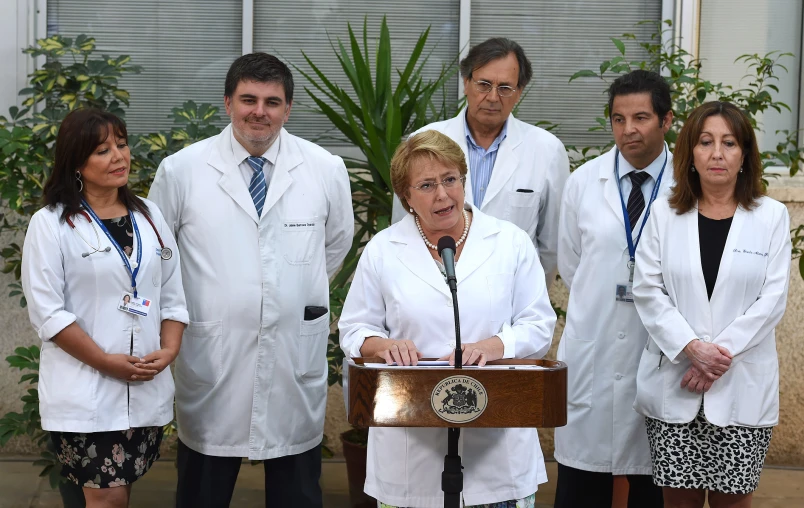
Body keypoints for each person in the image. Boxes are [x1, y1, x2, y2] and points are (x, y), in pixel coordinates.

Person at [148, 52, 354, 508]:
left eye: (272, 101)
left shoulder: (324, 169)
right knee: (203, 490)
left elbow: (334, 247)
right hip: (214, 354)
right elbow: (160, 259)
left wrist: (283, 292)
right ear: (227, 103)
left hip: (291, 358)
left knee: (298, 490)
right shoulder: (181, 170)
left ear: (288, 108)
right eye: (248, 99)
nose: (259, 111)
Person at [340, 130, 556, 507]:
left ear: (463, 180)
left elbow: (538, 323)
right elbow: (355, 329)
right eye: (426, 185)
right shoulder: (383, 250)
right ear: (406, 197)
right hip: (410, 448)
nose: (442, 194)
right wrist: (383, 345)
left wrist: (495, 346)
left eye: (450, 179)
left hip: (496, 447)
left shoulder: (510, 242)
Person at [21, 108, 188, 507]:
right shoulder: (51, 224)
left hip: (144, 385)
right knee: (107, 498)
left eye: (122, 144)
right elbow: (49, 313)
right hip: (86, 390)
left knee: (119, 495)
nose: (119, 156)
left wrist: (168, 351)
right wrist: (105, 362)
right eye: (102, 150)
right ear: (76, 162)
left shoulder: (150, 216)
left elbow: (173, 295)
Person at [633, 101, 791, 508]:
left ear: (745, 155)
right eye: (705, 142)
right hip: (677, 380)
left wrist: (716, 357)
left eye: (729, 143)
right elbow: (648, 290)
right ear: (690, 154)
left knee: (733, 501)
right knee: (678, 503)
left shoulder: (770, 217)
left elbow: (772, 299)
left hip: (739, 384)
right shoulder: (663, 215)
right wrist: (691, 349)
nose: (717, 153)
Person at [554, 70, 673, 507]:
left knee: (652, 487)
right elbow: (572, 264)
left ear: (666, 120)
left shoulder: (689, 184)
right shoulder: (585, 182)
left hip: (658, 352)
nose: (628, 130)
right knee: (580, 487)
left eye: (641, 117)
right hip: (595, 349)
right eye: (618, 119)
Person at [391, 37, 569, 285]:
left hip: (511, 292)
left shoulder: (547, 150)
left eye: (505, 88)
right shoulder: (423, 142)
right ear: (466, 83)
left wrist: (531, 295)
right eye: (484, 84)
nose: (493, 97)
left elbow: (551, 244)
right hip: (433, 288)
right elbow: (403, 224)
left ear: (519, 92)